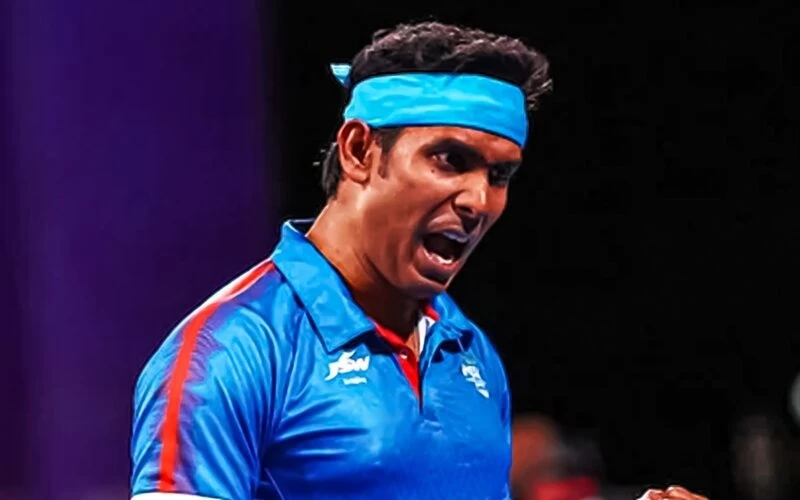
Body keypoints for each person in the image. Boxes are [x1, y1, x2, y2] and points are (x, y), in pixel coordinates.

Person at [129, 21, 708, 500]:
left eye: (500, 175)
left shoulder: (470, 350)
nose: (479, 200)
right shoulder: (226, 352)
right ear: (359, 150)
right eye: (450, 159)